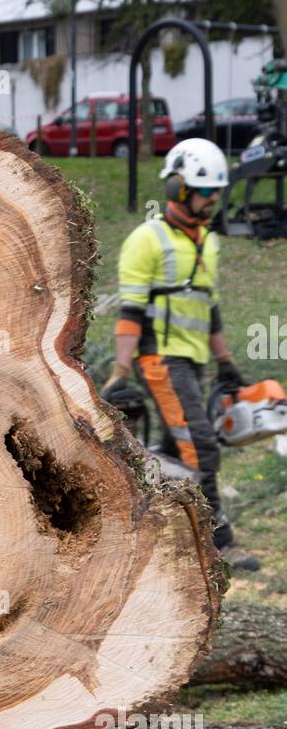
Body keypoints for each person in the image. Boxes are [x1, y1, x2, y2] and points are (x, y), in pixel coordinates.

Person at [102, 137, 260, 571]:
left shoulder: (207, 242)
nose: (213, 200)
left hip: (192, 363)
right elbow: (132, 312)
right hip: (159, 359)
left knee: (174, 449)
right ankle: (218, 544)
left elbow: (209, 310)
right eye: (205, 191)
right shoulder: (146, 239)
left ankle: (154, 530)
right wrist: (120, 368)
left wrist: (227, 364)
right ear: (178, 189)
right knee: (201, 449)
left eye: (216, 192)